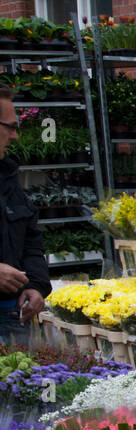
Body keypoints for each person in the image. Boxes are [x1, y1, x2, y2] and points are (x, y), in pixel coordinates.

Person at [0, 83, 50, 348]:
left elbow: (30, 238)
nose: (15, 136)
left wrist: (37, 286)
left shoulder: (7, 178)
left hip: (13, 317)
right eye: (10, 127)